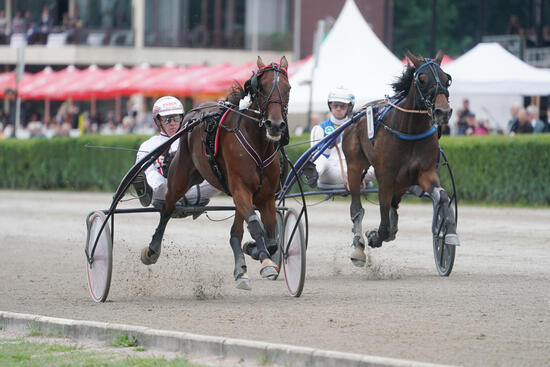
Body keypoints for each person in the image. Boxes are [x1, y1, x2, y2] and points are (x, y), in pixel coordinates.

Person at [132, 96, 220, 216]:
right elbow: (142, 171)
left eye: (176, 118)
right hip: (164, 191)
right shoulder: (148, 145)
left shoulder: (191, 139)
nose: (173, 123)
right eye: (167, 120)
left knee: (218, 177)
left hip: (192, 190)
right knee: (151, 175)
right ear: (158, 121)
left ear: (182, 118)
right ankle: (148, 193)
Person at [308, 86, 375, 188]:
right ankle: (313, 174)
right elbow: (315, 155)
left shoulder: (358, 127)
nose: (338, 109)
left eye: (342, 106)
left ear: (349, 107)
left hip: (357, 172)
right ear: (330, 105)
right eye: (335, 105)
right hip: (332, 173)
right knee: (321, 159)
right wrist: (327, 148)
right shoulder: (319, 129)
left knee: (379, 163)